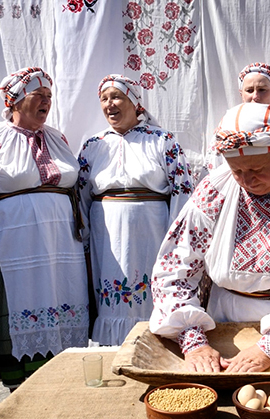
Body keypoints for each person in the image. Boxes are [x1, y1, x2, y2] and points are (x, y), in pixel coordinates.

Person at [149, 102, 270, 373]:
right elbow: (173, 269)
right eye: (237, 170)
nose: (246, 180)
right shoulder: (214, 191)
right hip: (223, 321)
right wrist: (193, 341)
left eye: (256, 170)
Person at [0, 67, 89, 389]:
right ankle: (22, 386)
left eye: (49, 96)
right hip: (17, 243)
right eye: (38, 95)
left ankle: (63, 379)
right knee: (18, 303)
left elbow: (75, 191)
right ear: (16, 100)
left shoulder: (57, 138)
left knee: (61, 298)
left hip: (61, 244)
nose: (46, 101)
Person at [78, 74, 194, 346]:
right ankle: (112, 346)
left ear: (134, 102)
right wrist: (84, 239)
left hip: (151, 232)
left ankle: (154, 346)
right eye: (104, 99)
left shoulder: (162, 140)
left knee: (151, 293)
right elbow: (81, 196)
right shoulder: (93, 145)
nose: (109, 104)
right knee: (112, 298)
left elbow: (182, 190)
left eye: (116, 97)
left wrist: (175, 240)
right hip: (106, 237)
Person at [207, 63, 270, 172]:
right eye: (249, 90)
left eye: (262, 90)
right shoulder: (226, 127)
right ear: (241, 94)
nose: (255, 96)